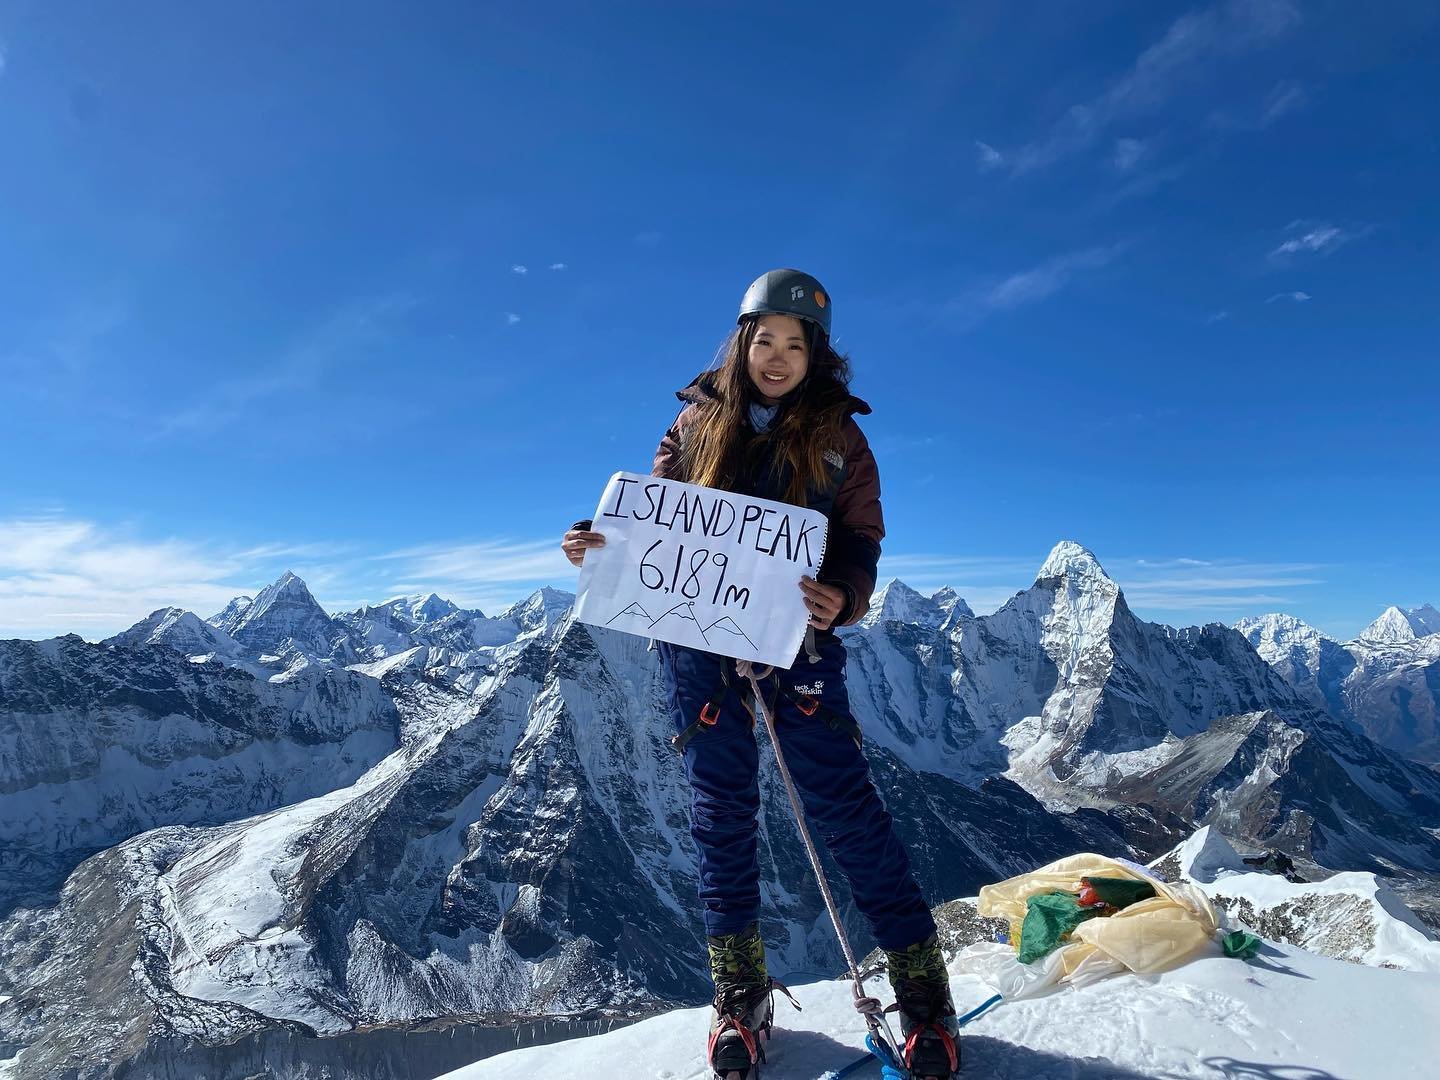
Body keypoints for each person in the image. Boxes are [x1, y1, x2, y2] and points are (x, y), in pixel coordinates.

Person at [561, 269, 959, 1080]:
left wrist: (842, 594)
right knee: (720, 816)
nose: (777, 358)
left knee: (845, 810)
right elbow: (653, 526)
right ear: (742, 343)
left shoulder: (843, 438)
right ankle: (739, 993)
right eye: (765, 340)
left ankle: (923, 991)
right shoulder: (694, 422)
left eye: (796, 344)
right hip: (696, 650)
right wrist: (594, 544)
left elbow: (859, 543)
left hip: (798, 647)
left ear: (817, 354)